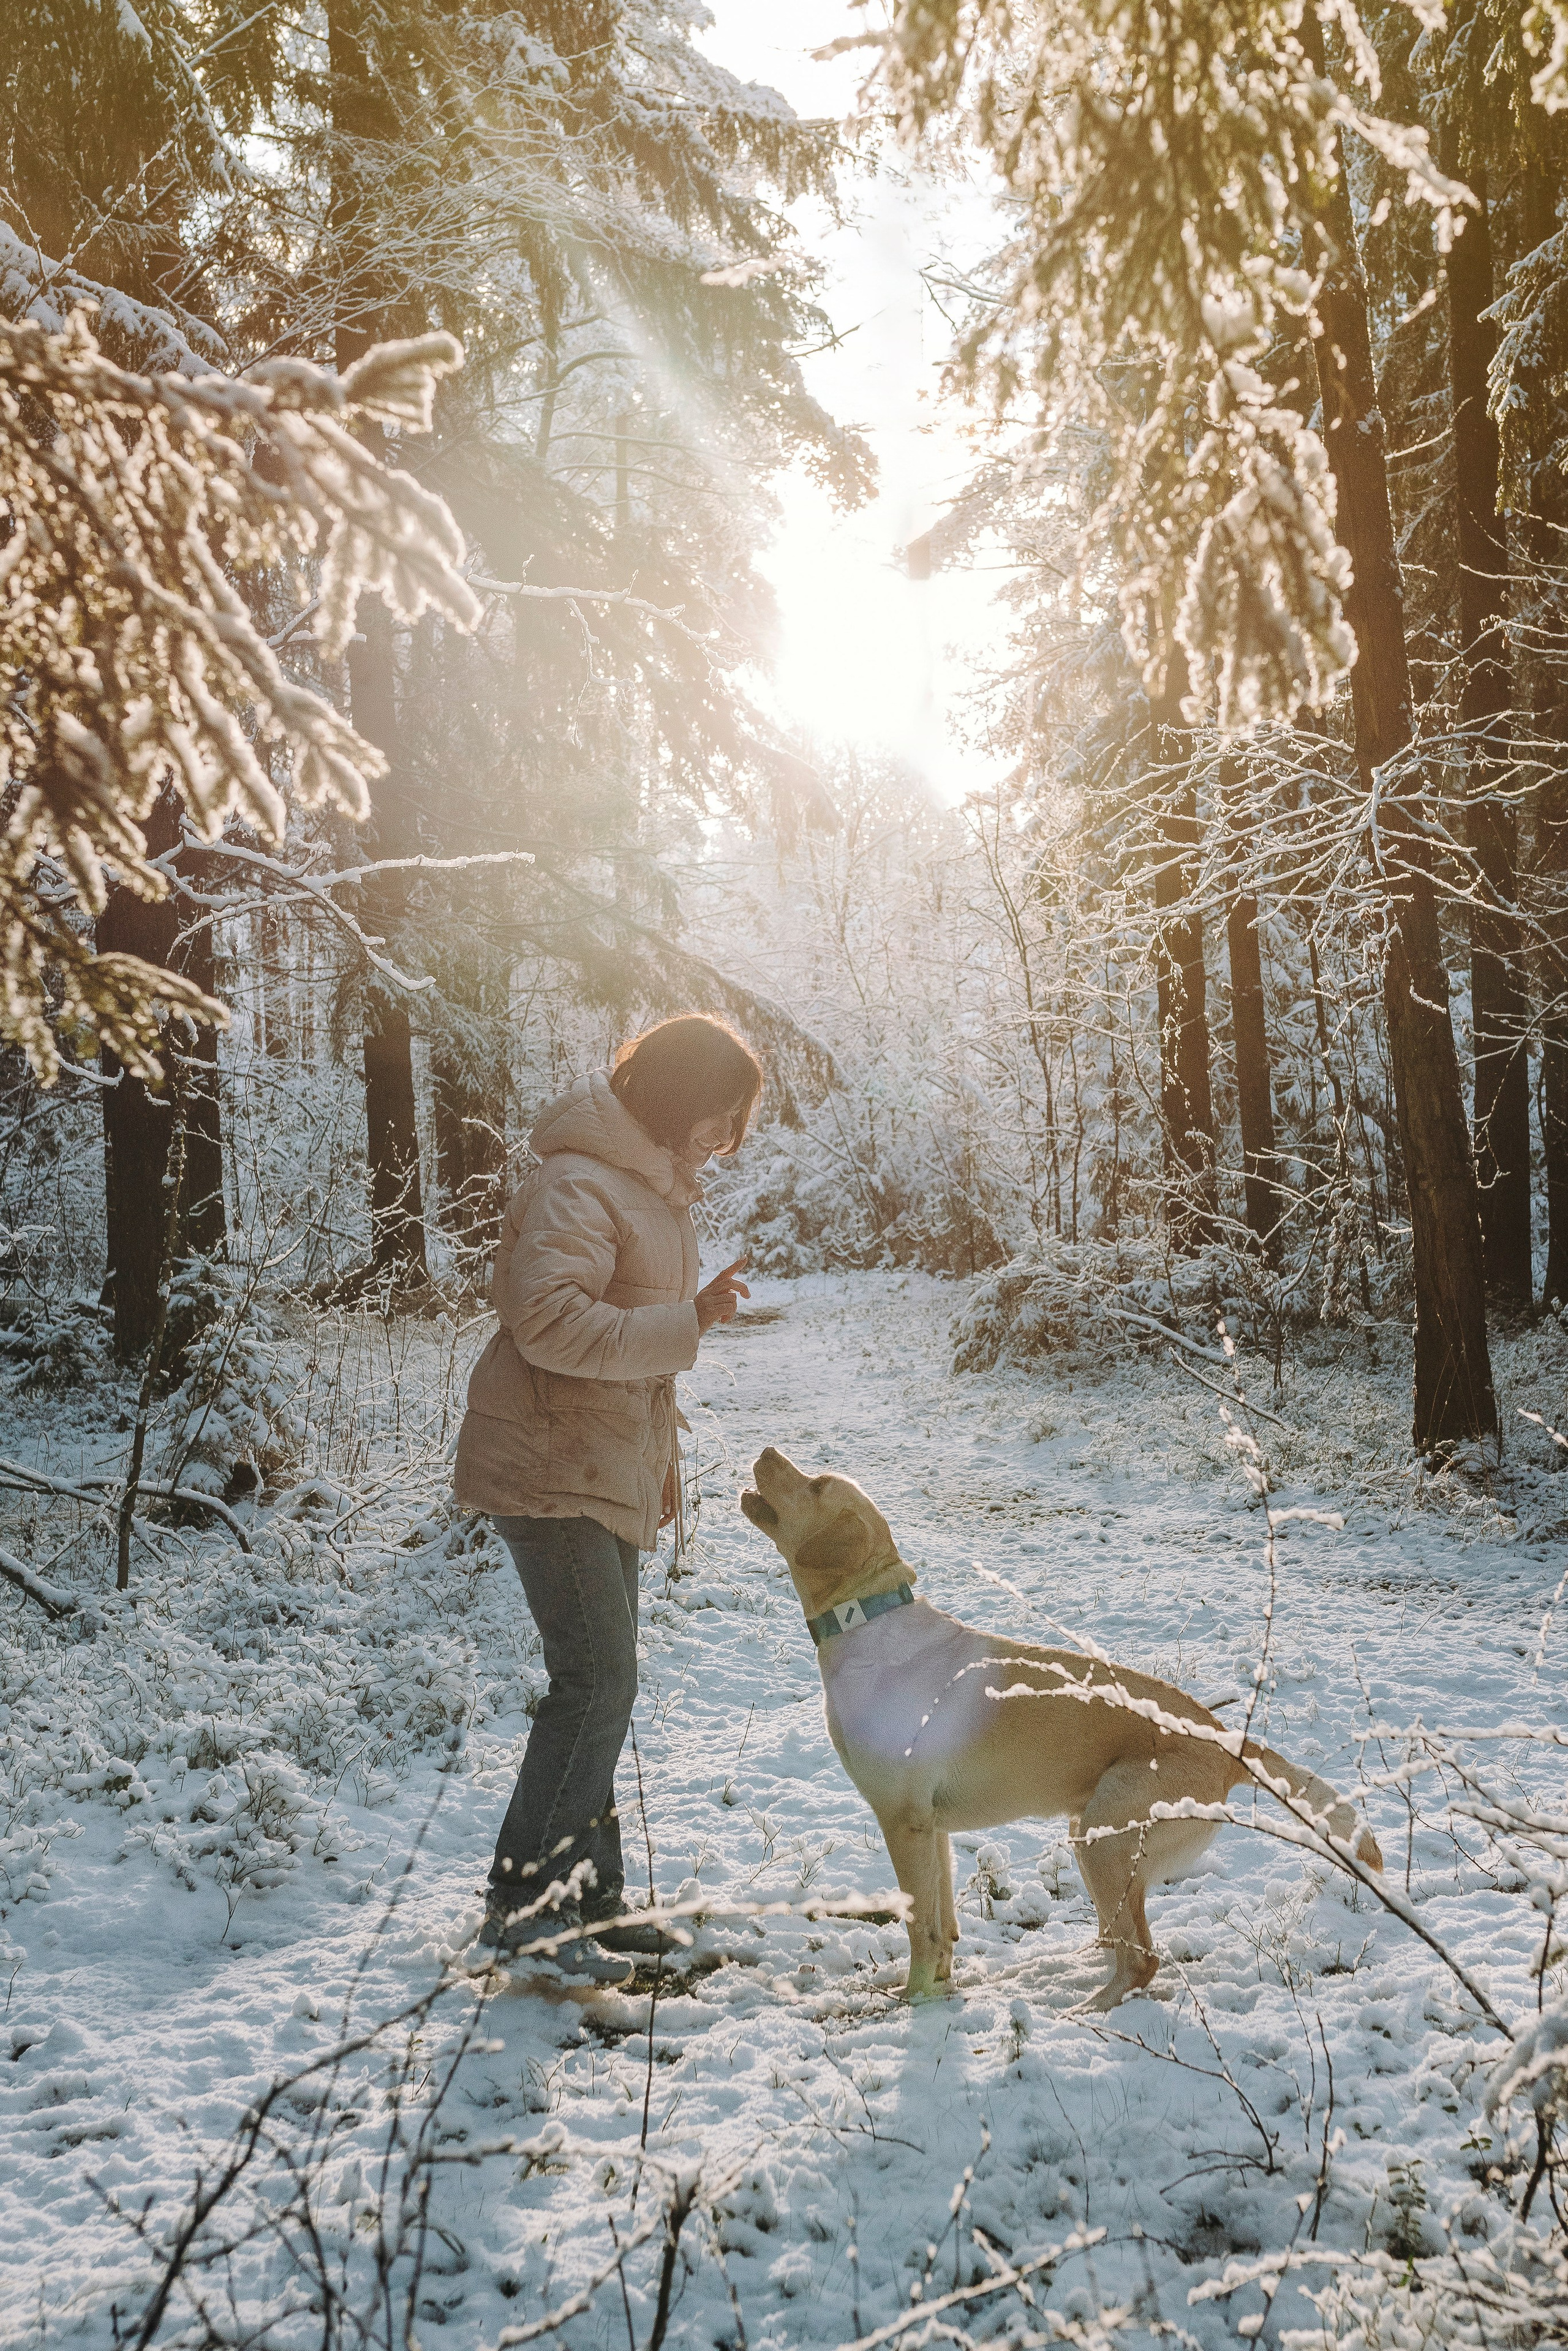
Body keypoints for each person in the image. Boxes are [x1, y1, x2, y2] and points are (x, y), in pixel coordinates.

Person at [454, 1014, 760, 1980]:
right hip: (546, 1464)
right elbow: (547, 1323)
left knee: (603, 1684)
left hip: (596, 1462)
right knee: (596, 1683)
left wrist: (657, 1465)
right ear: (678, 1099)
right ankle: (524, 1906)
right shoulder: (578, 1179)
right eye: (722, 1115)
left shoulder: (647, 1186)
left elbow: (630, 1350)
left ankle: (588, 1901)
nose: (727, 1137)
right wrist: (687, 1319)